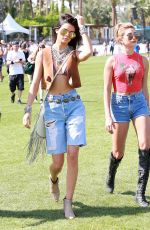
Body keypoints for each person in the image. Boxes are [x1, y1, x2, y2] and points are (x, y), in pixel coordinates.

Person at [23, 13, 92, 219]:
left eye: (71, 34)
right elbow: (35, 83)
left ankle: (68, 201)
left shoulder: (73, 54)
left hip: (74, 106)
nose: (67, 36)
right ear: (56, 31)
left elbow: (88, 50)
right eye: (64, 31)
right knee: (58, 163)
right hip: (52, 108)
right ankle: (53, 179)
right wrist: (27, 110)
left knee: (73, 154)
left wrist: (82, 27)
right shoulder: (44, 53)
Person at [103, 22, 150, 208]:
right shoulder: (112, 61)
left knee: (145, 145)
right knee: (118, 152)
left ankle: (140, 193)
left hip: (139, 103)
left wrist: (149, 107)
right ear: (120, 39)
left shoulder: (143, 60)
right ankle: (111, 173)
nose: (132, 36)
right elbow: (106, 90)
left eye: (133, 34)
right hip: (119, 104)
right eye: (128, 34)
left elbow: (145, 87)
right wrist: (108, 116)